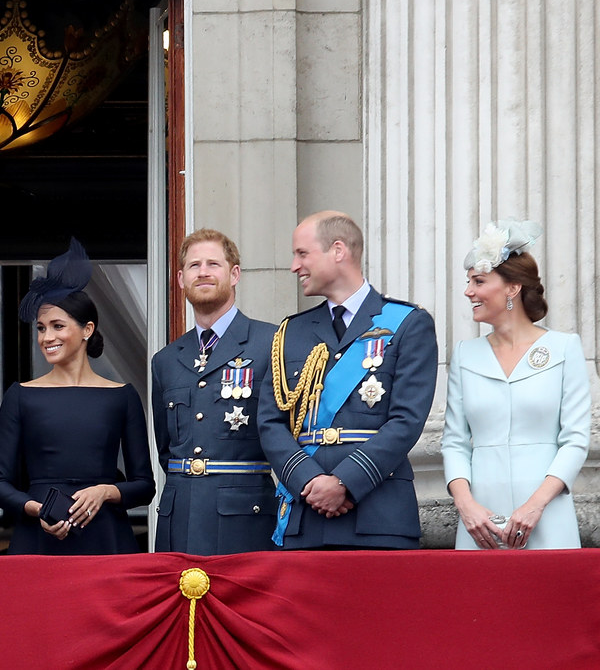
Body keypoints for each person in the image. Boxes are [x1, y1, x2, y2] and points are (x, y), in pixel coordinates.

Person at [258, 211, 438, 550]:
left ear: (338, 250)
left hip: (379, 515)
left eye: (302, 254)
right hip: (304, 515)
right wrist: (308, 479)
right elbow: (270, 422)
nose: (294, 266)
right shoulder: (290, 332)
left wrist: (345, 482)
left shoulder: (408, 323)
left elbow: (407, 421)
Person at [0, 239, 155, 555]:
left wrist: (105, 492)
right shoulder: (20, 397)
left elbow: (145, 486)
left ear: (87, 329)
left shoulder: (122, 397)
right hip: (38, 538)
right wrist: (38, 509)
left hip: (106, 537)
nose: (46, 337)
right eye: (40, 328)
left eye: (57, 326)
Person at [442, 220, 589, 550]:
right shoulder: (466, 355)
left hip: (547, 513)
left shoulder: (564, 348)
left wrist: (534, 506)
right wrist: (467, 507)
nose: (469, 292)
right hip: (480, 520)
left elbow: (576, 439)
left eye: (478, 281)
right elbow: (454, 442)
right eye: (469, 282)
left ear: (512, 288)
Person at [151, 229, 277, 555]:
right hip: (179, 515)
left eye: (213, 264)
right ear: (180, 279)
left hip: (244, 518)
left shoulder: (271, 343)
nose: (203, 272)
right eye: (194, 266)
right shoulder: (166, 360)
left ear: (234, 274)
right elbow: (167, 447)